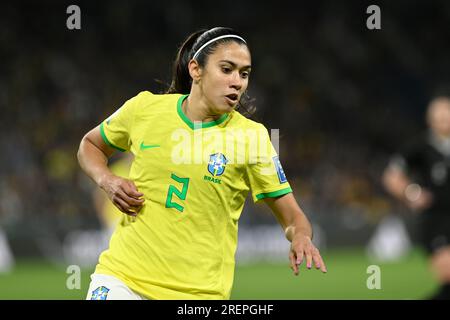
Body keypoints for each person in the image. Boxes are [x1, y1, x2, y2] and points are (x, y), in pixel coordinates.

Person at [77, 27, 327, 300]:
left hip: (199, 294)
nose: (237, 82)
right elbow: (90, 146)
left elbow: (293, 217)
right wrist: (107, 180)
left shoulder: (252, 138)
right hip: (122, 279)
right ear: (196, 70)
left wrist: (301, 236)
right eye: (227, 69)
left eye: (244, 74)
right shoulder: (144, 109)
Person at [383, 91, 450, 300]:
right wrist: (412, 193)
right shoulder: (420, 147)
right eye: (440, 117)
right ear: (430, 120)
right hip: (437, 221)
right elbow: (391, 176)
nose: (444, 121)